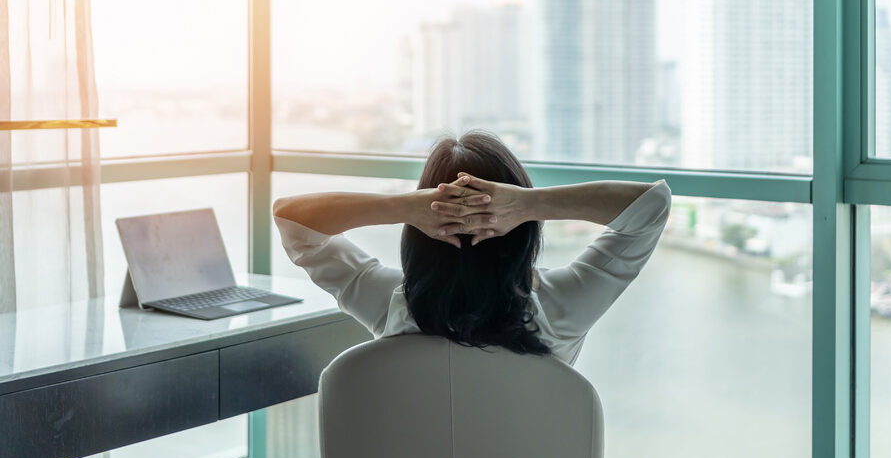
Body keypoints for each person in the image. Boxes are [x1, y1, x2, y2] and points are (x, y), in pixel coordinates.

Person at [273, 131, 671, 366]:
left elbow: (294, 220)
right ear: (522, 230)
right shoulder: (563, 306)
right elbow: (650, 206)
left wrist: (403, 208)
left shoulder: (388, 303)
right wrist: (529, 204)